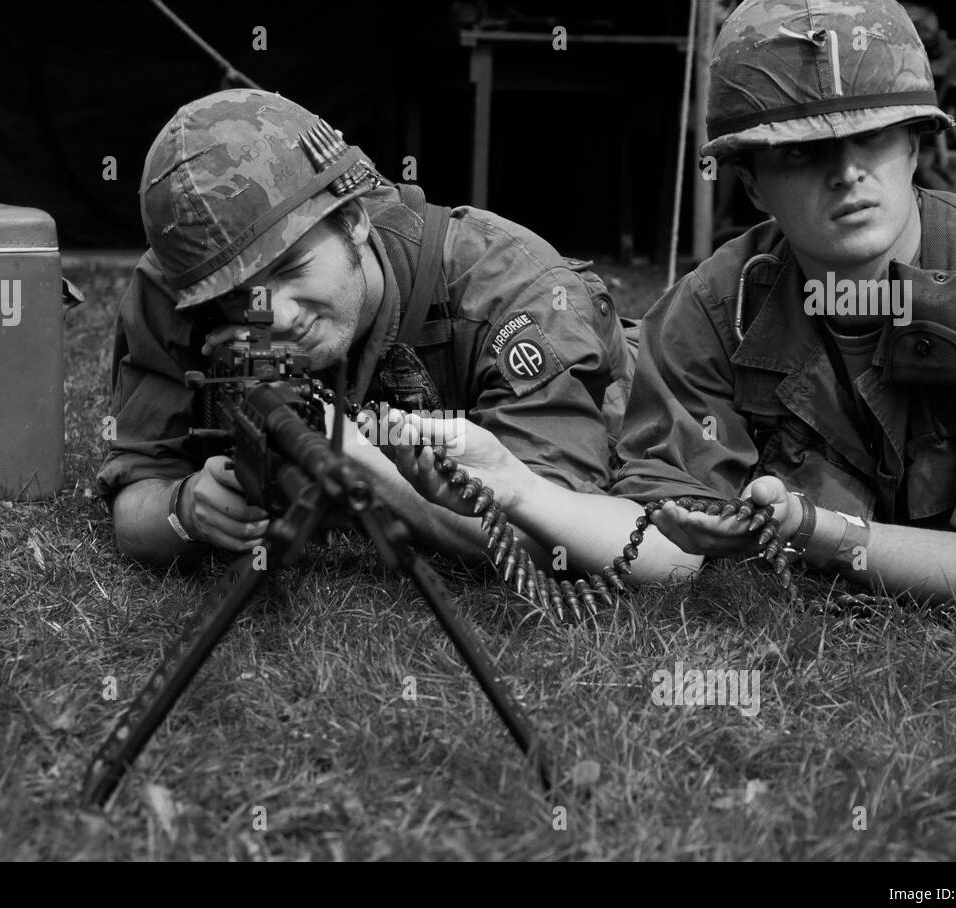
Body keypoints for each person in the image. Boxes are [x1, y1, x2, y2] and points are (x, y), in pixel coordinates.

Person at [393, 0, 956, 608]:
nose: (847, 172)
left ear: (915, 145)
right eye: (803, 153)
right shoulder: (714, 310)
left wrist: (815, 531)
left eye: (873, 138)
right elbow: (668, 548)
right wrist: (516, 488)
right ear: (752, 183)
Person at [97, 89, 637, 568]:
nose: (277, 315)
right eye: (236, 298)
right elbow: (137, 495)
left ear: (354, 219)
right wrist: (186, 509)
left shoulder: (512, 293)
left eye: (292, 269)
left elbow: (554, 539)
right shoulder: (186, 286)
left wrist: (366, 469)